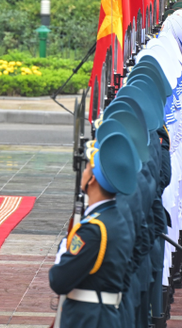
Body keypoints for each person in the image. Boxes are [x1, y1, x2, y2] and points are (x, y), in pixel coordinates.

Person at [49, 128, 136, 328]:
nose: (84, 171)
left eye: (87, 167)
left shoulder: (93, 229)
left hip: (89, 319)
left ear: (93, 179)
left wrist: (64, 247)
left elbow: (59, 280)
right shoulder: (116, 218)